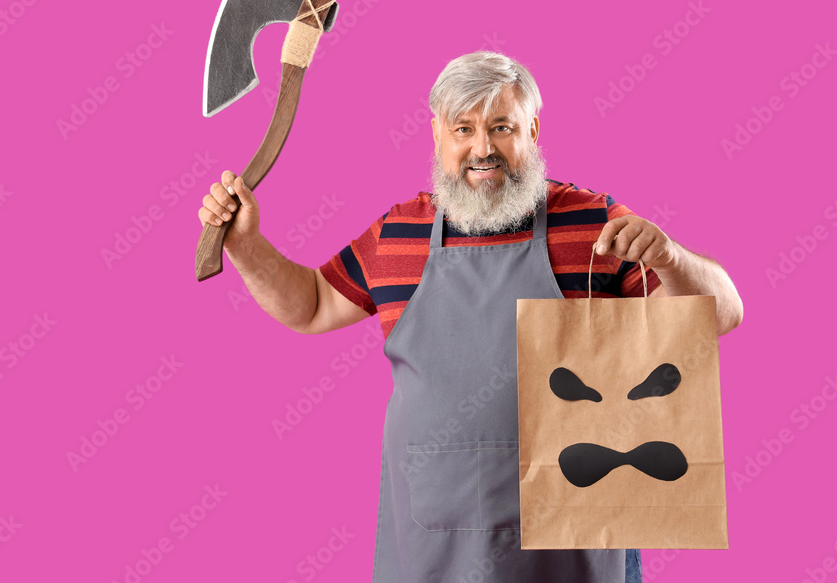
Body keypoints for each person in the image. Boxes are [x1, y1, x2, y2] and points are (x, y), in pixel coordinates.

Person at [198, 51, 743, 582]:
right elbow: (314, 304)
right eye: (464, 129)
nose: (483, 149)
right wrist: (247, 246)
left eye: (502, 127)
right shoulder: (398, 232)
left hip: (574, 536)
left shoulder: (596, 225)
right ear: (437, 134)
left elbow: (720, 315)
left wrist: (670, 258)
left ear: (532, 130)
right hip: (434, 542)